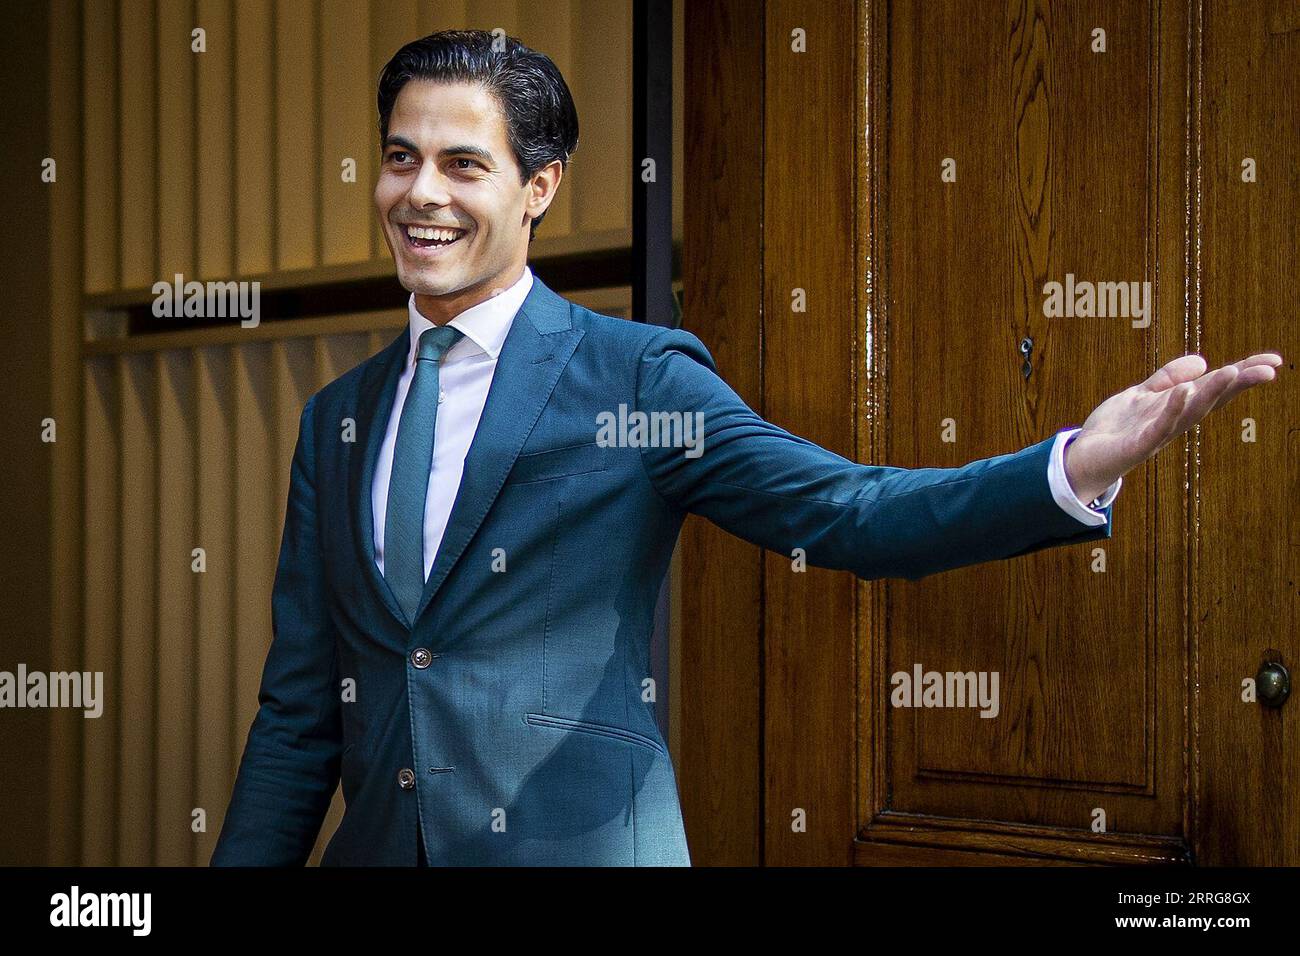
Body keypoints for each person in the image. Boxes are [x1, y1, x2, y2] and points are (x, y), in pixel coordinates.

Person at [210, 29, 1282, 866]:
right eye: (401, 159)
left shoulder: (633, 375)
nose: (421, 195)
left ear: (538, 188)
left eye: (462, 163)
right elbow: (302, 709)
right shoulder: (335, 417)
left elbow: (849, 512)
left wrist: (1074, 466)